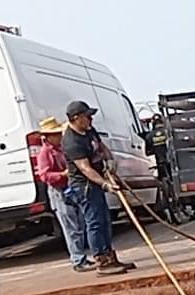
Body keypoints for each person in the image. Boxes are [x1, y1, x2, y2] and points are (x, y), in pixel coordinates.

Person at [61, 99, 135, 275]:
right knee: (94, 222)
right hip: (85, 187)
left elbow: (101, 147)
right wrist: (105, 183)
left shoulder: (89, 131)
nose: (91, 120)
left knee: (105, 221)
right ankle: (101, 260)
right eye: (87, 117)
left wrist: (109, 160)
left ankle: (110, 255)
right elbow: (85, 168)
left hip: (97, 182)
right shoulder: (72, 142)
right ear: (77, 118)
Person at [35, 116, 92, 272]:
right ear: (48, 136)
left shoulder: (62, 148)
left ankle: (81, 257)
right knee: (71, 227)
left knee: (80, 224)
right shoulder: (45, 153)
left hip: (70, 188)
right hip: (59, 191)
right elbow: (44, 175)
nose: (59, 136)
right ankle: (78, 259)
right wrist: (62, 174)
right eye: (55, 134)